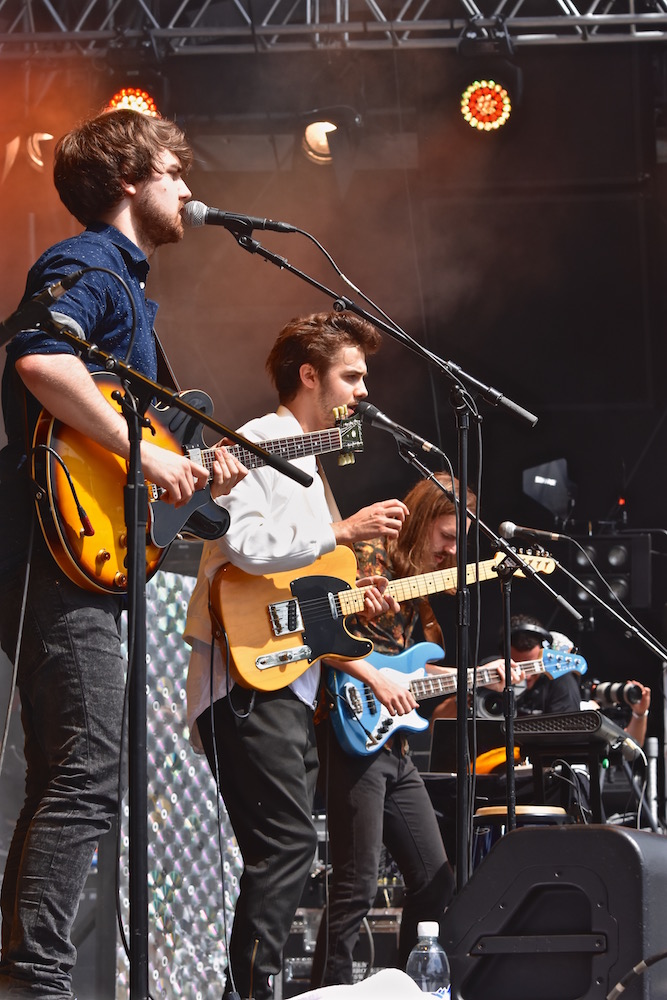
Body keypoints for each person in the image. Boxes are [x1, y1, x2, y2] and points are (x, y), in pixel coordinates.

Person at [0, 109, 247, 999]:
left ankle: (37, 976)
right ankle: (35, 982)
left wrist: (189, 472)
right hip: (58, 561)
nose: (187, 189)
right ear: (132, 177)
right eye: (174, 171)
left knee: (83, 772)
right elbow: (37, 359)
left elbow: (131, 442)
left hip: (94, 555)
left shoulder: (127, 287)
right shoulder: (91, 265)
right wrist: (147, 454)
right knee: (83, 772)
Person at [183, 310, 411, 1000]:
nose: (363, 391)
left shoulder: (309, 456)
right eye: (352, 375)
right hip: (247, 684)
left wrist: (352, 604)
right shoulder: (260, 440)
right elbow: (246, 546)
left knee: (282, 850)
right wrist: (342, 529)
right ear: (309, 375)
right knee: (285, 849)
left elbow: (291, 591)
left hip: (287, 682)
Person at [309, 473, 519, 988]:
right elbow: (322, 632)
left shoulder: (418, 597)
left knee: (435, 879)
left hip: (395, 746)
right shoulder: (366, 557)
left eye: (459, 544)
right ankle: (328, 992)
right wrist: (361, 618)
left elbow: (406, 668)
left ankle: (404, 990)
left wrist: (484, 677)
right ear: (422, 520)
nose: (452, 552)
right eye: (447, 538)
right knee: (355, 888)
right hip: (350, 732)